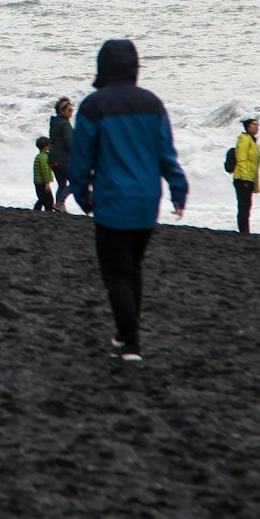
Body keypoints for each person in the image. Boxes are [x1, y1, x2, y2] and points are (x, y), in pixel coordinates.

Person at [68, 39, 188, 364]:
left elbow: (81, 158)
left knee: (116, 273)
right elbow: (166, 153)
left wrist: (81, 194)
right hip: (148, 200)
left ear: (103, 66)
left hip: (112, 199)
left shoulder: (94, 105)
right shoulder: (153, 103)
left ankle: (131, 343)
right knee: (133, 267)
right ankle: (124, 333)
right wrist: (179, 189)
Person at [230, 118, 260, 234]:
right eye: (253, 125)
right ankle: (243, 231)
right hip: (242, 178)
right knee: (244, 205)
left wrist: (254, 183)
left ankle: (245, 230)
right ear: (247, 127)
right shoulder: (244, 139)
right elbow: (241, 159)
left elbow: (254, 164)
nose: (256, 127)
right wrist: (245, 178)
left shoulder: (253, 141)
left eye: (257, 125)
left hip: (248, 178)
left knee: (246, 205)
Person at [49, 97, 76, 208]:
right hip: (63, 159)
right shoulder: (65, 124)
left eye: (72, 110)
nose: (71, 113)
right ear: (62, 111)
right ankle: (61, 203)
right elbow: (69, 143)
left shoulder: (54, 123)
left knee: (62, 185)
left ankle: (57, 206)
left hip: (52, 159)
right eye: (69, 110)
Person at [32, 135, 55, 211]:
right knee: (49, 200)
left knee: (42, 199)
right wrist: (47, 182)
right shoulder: (44, 157)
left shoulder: (39, 156)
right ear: (46, 147)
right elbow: (44, 170)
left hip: (38, 182)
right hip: (42, 182)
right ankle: (48, 213)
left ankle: (36, 211)